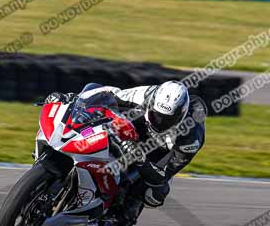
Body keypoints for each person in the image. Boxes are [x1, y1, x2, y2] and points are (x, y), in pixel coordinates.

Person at [44, 81, 206, 209]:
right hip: (139, 125)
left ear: (180, 116)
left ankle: (126, 209)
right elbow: (109, 93)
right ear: (152, 105)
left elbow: (164, 174)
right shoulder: (146, 95)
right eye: (157, 115)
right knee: (97, 99)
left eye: (167, 119)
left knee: (154, 194)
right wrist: (73, 98)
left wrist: (141, 160)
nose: (160, 121)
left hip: (161, 150)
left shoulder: (190, 139)